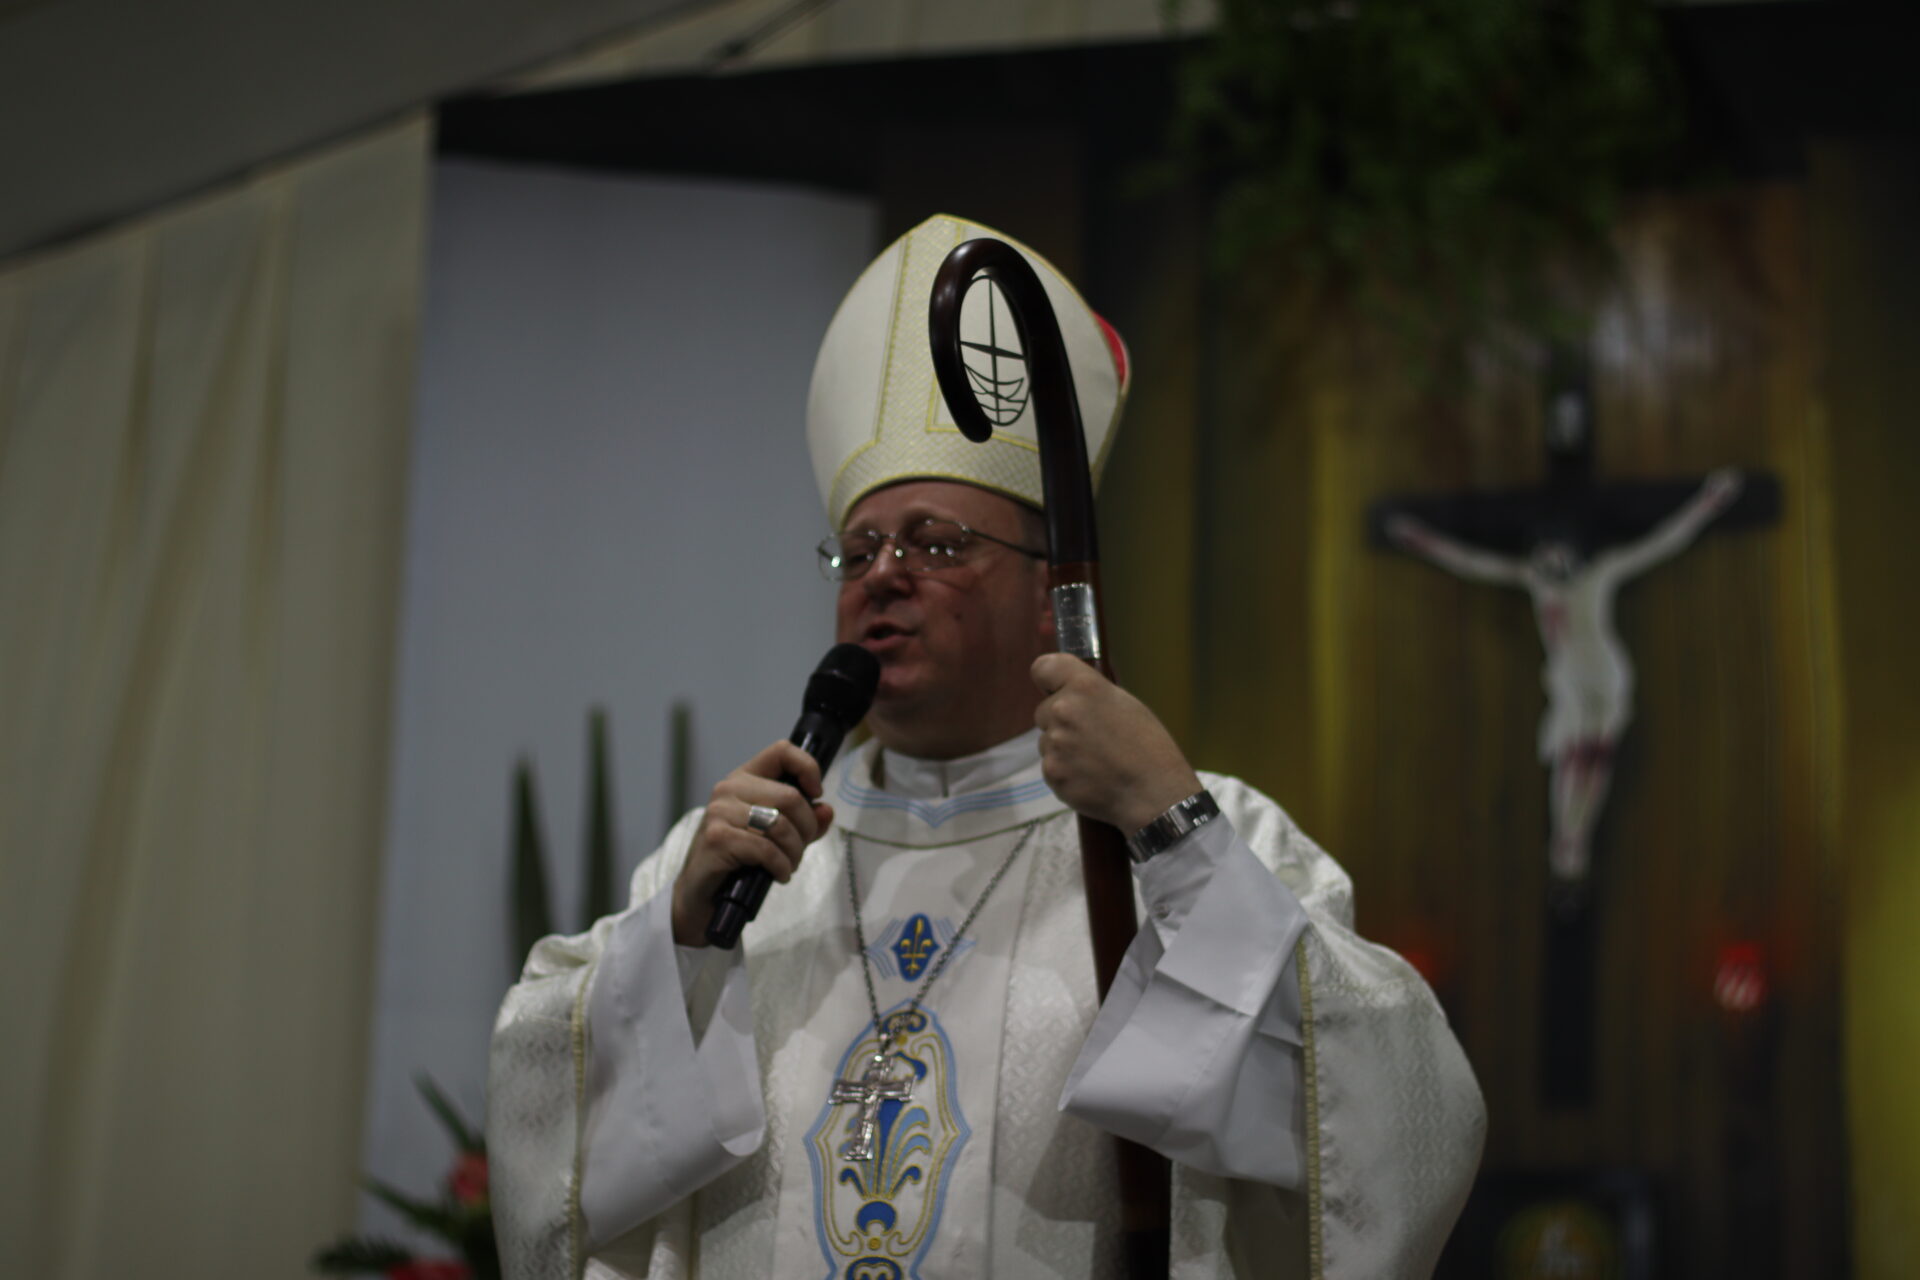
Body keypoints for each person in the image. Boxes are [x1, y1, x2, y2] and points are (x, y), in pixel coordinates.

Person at [489, 214, 1485, 1280]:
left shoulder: (1196, 829)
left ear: (1053, 589)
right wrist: (680, 944)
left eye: (937, 543)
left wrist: (1172, 830)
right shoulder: (743, 855)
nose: (885, 573)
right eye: (859, 550)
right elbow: (551, 1100)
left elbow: (1392, 1107)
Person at [1386, 466, 1743, 884]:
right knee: (1571, 753)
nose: (1551, 560)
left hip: (1605, 675)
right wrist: (1423, 541)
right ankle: (1566, 837)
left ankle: (1578, 838)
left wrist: (1708, 502)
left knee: (1597, 755)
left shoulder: (1600, 574)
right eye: (1544, 553)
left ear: (1574, 551)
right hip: (1568, 678)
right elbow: (1474, 563)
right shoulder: (1536, 580)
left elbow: (1662, 543)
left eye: (1558, 552)